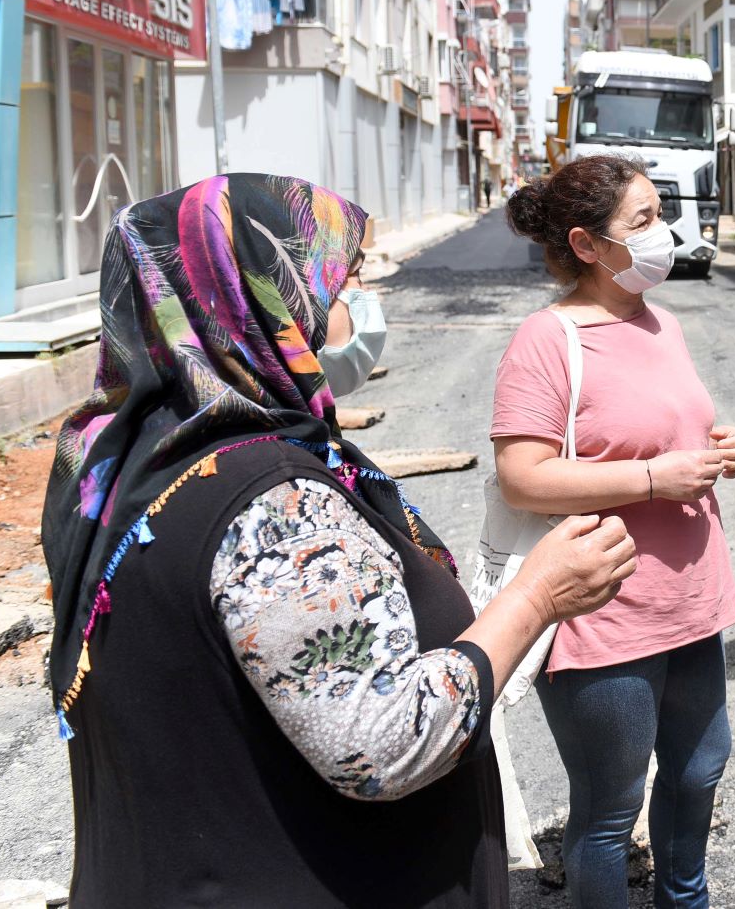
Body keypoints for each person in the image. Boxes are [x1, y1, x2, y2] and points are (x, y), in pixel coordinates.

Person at [41, 173, 636, 906]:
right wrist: (538, 595)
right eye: (336, 284)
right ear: (264, 297)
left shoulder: (114, 462)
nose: (350, 306)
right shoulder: (273, 505)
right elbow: (384, 742)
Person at [496, 154, 735, 908]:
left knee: (701, 768)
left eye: (658, 216)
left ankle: (685, 900)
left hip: (691, 600)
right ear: (585, 245)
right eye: (642, 222)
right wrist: (650, 479)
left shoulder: (661, 321)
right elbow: (524, 475)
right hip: (602, 611)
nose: (662, 234)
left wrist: (720, 447)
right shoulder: (547, 339)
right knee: (609, 811)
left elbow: (670, 430)